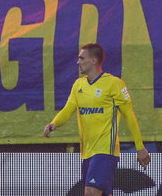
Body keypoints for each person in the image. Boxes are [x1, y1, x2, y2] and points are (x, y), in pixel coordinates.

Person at [43, 44, 151, 196]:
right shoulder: (78, 84)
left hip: (106, 151)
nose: (77, 62)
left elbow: (129, 116)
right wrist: (54, 123)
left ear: (93, 61)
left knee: (91, 192)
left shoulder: (114, 83)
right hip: (87, 153)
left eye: (81, 58)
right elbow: (68, 109)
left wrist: (140, 147)